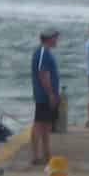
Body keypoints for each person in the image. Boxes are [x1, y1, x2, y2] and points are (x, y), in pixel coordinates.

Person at [29, 27, 61, 166]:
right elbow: (43, 74)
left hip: (47, 94)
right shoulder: (43, 52)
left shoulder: (46, 52)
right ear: (49, 38)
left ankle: (46, 153)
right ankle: (36, 155)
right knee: (39, 124)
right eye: (55, 37)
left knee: (47, 124)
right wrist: (51, 94)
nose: (57, 40)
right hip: (44, 95)